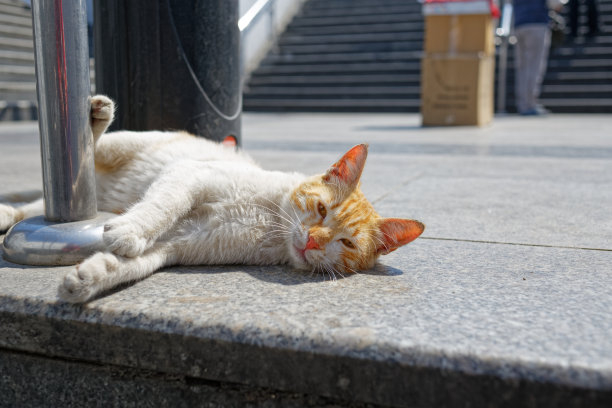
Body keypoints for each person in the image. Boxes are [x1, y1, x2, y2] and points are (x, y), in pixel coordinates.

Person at [512, 0, 552, 115]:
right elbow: (555, 3)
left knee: (522, 67)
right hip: (537, 22)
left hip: (519, 23)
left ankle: (523, 104)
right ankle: (531, 103)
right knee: (535, 65)